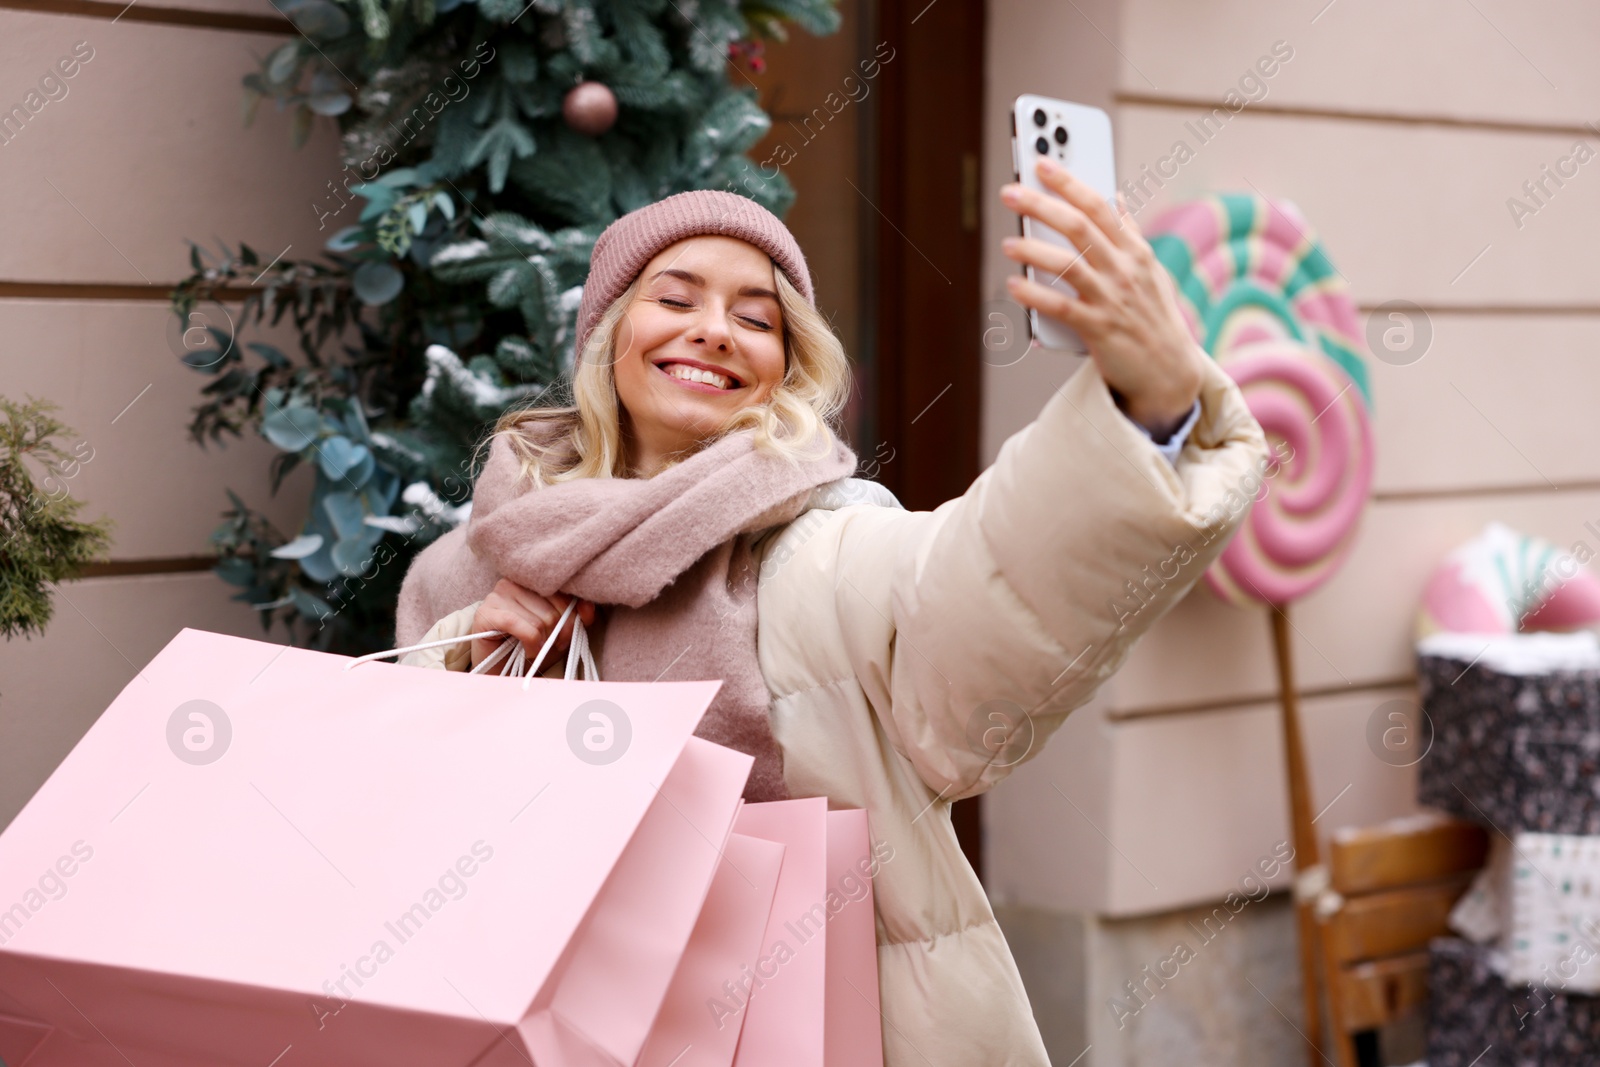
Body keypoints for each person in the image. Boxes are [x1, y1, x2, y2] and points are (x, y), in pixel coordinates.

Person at [392, 165, 1268, 1065]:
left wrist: (1145, 410)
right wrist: (461, 666)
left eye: (755, 317)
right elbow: (400, 823)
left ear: (785, 365)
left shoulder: (821, 544)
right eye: (676, 297)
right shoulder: (465, 573)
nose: (713, 331)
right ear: (609, 331)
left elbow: (989, 583)